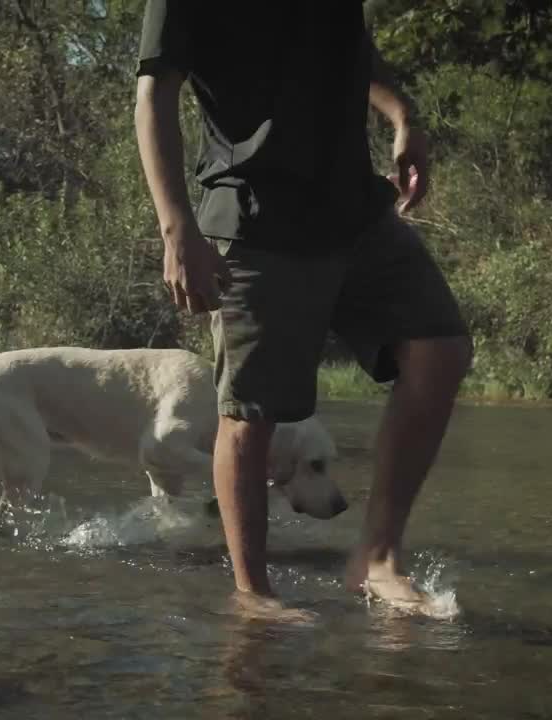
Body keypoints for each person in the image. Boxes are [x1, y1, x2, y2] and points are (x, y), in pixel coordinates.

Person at [133, 2, 473, 619]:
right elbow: (154, 92)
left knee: (440, 348)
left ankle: (376, 558)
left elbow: (355, 50)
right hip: (256, 216)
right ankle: (253, 595)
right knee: (251, 412)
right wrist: (176, 227)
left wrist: (402, 117)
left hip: (357, 210)